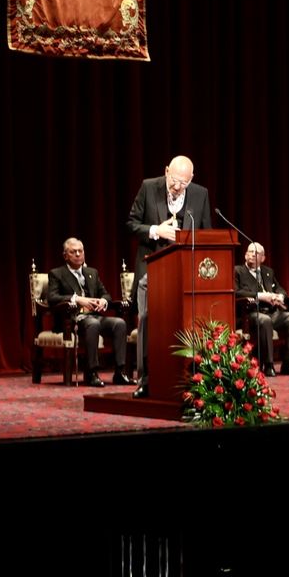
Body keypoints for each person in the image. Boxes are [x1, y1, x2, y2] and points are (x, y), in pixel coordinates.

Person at [125, 155, 212, 398]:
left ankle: (190, 378)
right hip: (150, 271)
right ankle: (146, 380)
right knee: (148, 322)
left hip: (185, 272)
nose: (177, 187)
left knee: (187, 322)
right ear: (165, 172)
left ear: (191, 179)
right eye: (174, 181)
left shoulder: (200, 194)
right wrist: (156, 230)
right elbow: (131, 224)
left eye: (183, 183)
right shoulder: (148, 187)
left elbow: (206, 233)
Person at [44, 238, 133, 388]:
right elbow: (52, 298)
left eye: (81, 251)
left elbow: (106, 294)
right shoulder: (57, 273)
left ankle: (120, 372)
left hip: (95, 316)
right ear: (66, 256)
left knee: (119, 323)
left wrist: (103, 301)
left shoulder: (92, 272)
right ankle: (92, 373)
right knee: (92, 324)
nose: (78, 254)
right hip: (72, 319)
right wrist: (77, 299)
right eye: (73, 252)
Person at [234, 242, 289, 376]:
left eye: (256, 253)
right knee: (265, 320)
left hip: (273, 312)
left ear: (263, 258)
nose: (252, 255)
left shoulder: (268, 272)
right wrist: (261, 296)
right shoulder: (238, 271)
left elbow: (280, 288)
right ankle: (268, 364)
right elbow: (237, 292)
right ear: (245, 255)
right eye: (250, 252)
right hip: (251, 313)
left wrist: (280, 297)